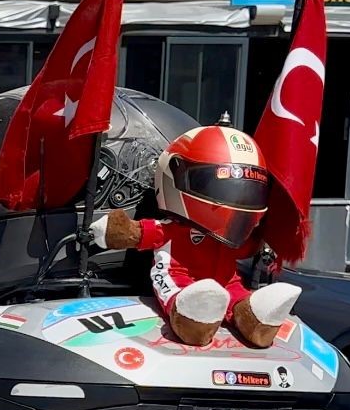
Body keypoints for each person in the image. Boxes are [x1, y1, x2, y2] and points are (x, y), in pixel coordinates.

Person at [91, 124, 301, 347]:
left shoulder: (230, 234)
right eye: (224, 189)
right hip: (180, 281)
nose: (237, 199)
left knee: (237, 295)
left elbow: (246, 248)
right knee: (184, 297)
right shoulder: (171, 230)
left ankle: (254, 317)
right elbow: (137, 233)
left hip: (228, 283)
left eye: (245, 191)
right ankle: (192, 319)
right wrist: (115, 231)